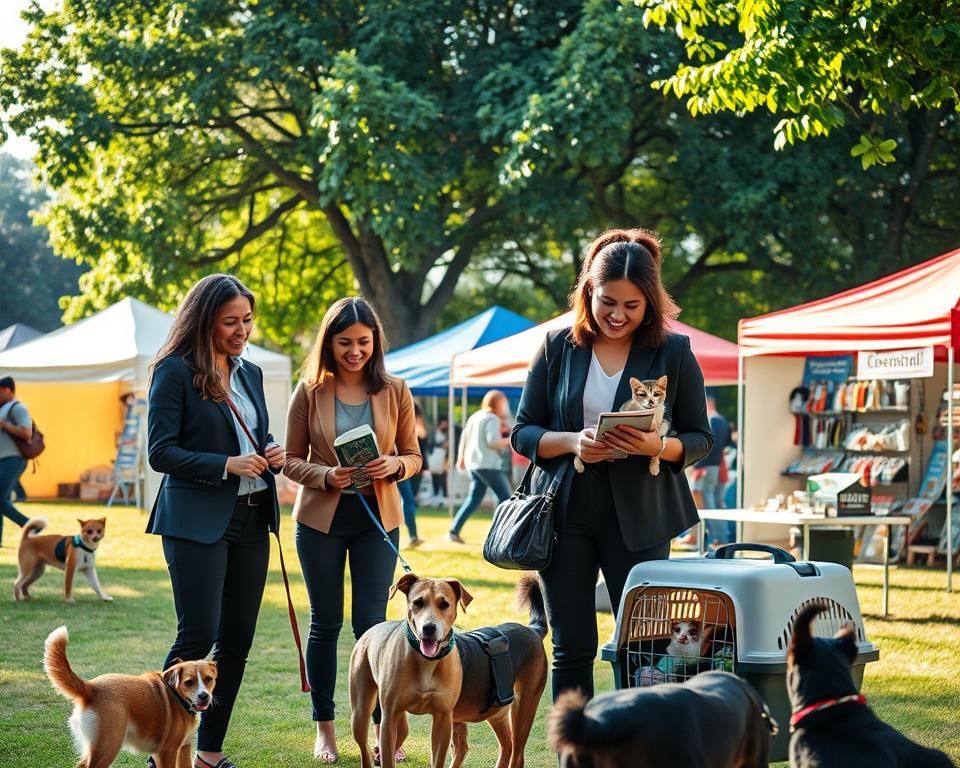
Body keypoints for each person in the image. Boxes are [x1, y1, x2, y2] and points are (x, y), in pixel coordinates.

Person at [512, 227, 713, 704]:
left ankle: (638, 746)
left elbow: (701, 438)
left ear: (650, 303)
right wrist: (570, 442)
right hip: (562, 513)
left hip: (641, 516)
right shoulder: (556, 346)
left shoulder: (674, 352)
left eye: (632, 305)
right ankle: (573, 753)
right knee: (571, 647)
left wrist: (655, 448)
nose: (617, 315)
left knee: (644, 645)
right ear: (588, 293)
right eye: (608, 302)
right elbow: (524, 431)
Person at [146, 274, 285, 768]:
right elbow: (161, 452)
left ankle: (207, 753)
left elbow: (254, 436)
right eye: (231, 322)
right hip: (195, 520)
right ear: (205, 321)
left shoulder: (249, 373)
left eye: (247, 319)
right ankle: (164, 753)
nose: (242, 330)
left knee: (237, 642)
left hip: (251, 519)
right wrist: (224, 464)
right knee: (197, 635)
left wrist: (270, 452)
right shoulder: (173, 371)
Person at [283, 296, 421, 763]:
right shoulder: (308, 391)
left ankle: (384, 730)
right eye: (345, 343)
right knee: (326, 624)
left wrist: (394, 465)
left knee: (375, 626)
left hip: (376, 520)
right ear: (330, 342)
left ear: (376, 342)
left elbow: (414, 455)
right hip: (321, 520)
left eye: (364, 342)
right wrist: (325, 475)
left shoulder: (395, 389)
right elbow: (288, 458)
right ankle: (325, 728)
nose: (355, 351)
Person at [447, 390, 513, 543]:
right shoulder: (493, 419)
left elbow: (464, 437)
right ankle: (502, 536)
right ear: (498, 404)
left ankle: (453, 531)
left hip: (474, 465)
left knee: (473, 500)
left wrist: (461, 458)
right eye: (503, 403)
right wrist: (511, 439)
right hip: (488, 465)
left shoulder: (475, 417)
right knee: (506, 500)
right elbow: (493, 441)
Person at [696, 390, 733, 544]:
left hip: (708, 467)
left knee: (709, 500)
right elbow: (726, 445)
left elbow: (711, 447)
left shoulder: (713, 421)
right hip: (716, 467)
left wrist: (699, 465)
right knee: (716, 501)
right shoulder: (723, 421)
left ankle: (718, 537)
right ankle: (720, 536)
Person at [0, 376, 32, 546]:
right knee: (1, 499)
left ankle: (30, 526)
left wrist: (4, 424)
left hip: (13, 459)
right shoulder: (3, 408)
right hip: (3, 460)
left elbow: (27, 433)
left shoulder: (18, 408)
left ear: (6, 390)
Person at [397, 403, 428, 547]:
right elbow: (422, 433)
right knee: (408, 500)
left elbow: (423, 435)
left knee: (407, 500)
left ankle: (413, 535)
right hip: (404, 466)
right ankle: (413, 536)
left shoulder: (398, 419)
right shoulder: (410, 423)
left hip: (405, 465)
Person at [427, 415, 450, 505]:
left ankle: (445, 499)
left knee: (443, 479)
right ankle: (436, 498)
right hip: (434, 459)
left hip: (444, 459)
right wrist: (441, 445)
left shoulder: (449, 434)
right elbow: (429, 445)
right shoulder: (433, 434)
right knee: (435, 479)